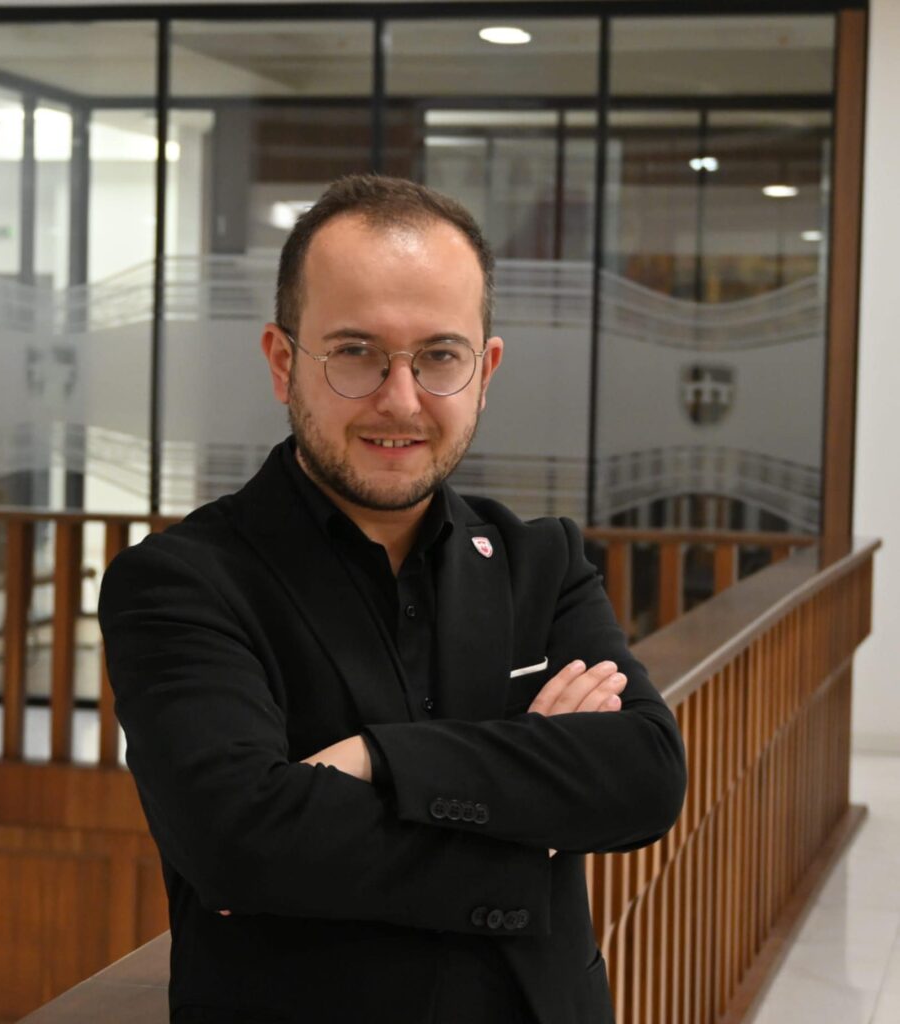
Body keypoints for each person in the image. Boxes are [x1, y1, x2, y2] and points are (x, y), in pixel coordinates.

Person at [99, 174, 686, 1024]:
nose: (400, 399)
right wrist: (529, 823)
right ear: (282, 361)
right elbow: (237, 843)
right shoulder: (181, 582)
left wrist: (375, 759)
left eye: (439, 356)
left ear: (484, 370)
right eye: (355, 352)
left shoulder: (540, 561)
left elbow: (644, 777)